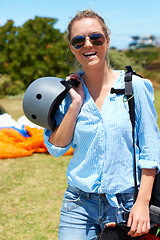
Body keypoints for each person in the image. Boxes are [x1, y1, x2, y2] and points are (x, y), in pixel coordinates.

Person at [43, 9, 160, 240]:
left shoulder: (135, 86)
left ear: (107, 39)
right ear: (72, 48)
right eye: (78, 41)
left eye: (95, 38)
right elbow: (56, 148)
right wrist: (76, 104)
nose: (88, 45)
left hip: (127, 204)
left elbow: (150, 150)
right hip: (78, 204)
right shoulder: (67, 93)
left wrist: (142, 203)